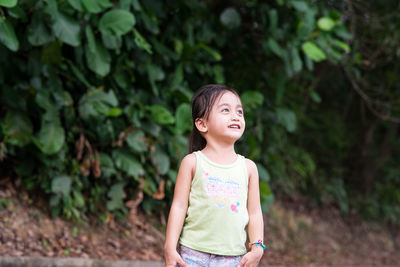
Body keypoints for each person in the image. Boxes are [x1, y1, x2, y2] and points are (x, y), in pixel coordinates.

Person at [164, 84, 265, 267]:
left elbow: (255, 212)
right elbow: (179, 206)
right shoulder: (193, 162)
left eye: (239, 112)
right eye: (225, 110)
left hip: (233, 258)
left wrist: (257, 247)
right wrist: (170, 248)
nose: (235, 116)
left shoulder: (248, 168)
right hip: (192, 253)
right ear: (202, 124)